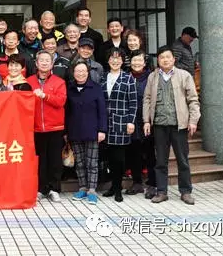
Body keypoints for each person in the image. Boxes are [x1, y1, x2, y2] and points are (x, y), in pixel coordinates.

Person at [143, 45, 200, 205]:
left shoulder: (184, 75)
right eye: (162, 57)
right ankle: (162, 192)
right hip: (159, 125)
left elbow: (193, 100)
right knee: (161, 161)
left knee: (182, 160)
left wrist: (193, 120)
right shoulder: (153, 77)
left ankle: (186, 192)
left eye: (168, 57)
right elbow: (147, 99)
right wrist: (146, 120)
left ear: (174, 59)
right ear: (158, 60)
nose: (165, 60)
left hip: (179, 125)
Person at [27, 51, 67, 203]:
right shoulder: (29, 81)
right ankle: (41, 189)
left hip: (55, 127)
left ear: (52, 64)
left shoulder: (59, 82)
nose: (44, 63)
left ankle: (54, 189)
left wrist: (45, 96)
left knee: (55, 160)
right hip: (36, 127)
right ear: (36, 63)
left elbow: (61, 101)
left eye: (47, 61)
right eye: (41, 60)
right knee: (40, 160)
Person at [66, 61, 107, 205]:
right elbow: (67, 111)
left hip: (92, 130)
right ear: (73, 73)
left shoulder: (96, 88)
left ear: (88, 73)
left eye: (83, 71)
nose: (80, 74)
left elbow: (102, 111)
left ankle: (92, 190)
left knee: (92, 162)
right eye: (78, 71)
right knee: (80, 162)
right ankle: (83, 187)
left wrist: (102, 130)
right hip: (75, 130)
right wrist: (66, 131)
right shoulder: (70, 88)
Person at [100, 48, 137, 203]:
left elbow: (133, 102)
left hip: (121, 122)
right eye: (112, 58)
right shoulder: (103, 77)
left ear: (122, 61)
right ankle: (112, 186)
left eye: (118, 58)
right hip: (105, 122)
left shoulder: (128, 78)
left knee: (119, 158)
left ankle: (118, 188)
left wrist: (131, 121)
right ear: (108, 60)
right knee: (108, 156)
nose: (115, 61)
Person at [126, 50, 156, 197]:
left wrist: (149, 119)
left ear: (144, 63)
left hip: (148, 121)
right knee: (134, 153)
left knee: (150, 153)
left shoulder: (151, 77)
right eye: (134, 60)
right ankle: (137, 182)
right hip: (131, 121)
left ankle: (152, 183)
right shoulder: (126, 77)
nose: (136, 63)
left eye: (139, 60)